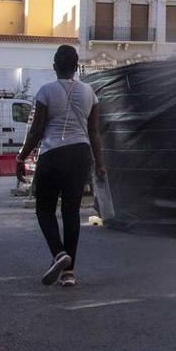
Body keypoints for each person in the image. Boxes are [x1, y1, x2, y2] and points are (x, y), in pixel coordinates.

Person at [16, 45, 106, 288]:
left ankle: (58, 253)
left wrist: (21, 157)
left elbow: (37, 130)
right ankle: (69, 273)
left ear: (55, 66)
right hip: (80, 154)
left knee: (44, 209)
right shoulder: (90, 93)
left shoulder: (46, 91)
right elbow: (94, 132)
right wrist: (100, 163)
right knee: (71, 211)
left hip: (53, 154)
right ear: (76, 67)